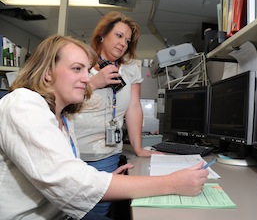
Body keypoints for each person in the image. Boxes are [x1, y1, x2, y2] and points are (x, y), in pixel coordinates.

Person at [0, 34, 209, 220]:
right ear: (47, 72)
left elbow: (62, 169)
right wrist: (172, 183)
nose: (86, 78)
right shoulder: (23, 103)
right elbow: (70, 181)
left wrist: (107, 181)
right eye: (76, 69)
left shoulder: (63, 117)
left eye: (86, 69)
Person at [72, 12, 161, 215]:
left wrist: (139, 149)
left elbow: (133, 107)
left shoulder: (129, 69)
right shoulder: (80, 63)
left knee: (96, 211)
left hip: (106, 154)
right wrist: (94, 83)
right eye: (119, 36)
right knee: (65, 209)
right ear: (102, 35)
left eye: (128, 41)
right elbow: (62, 101)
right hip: (72, 153)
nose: (123, 44)